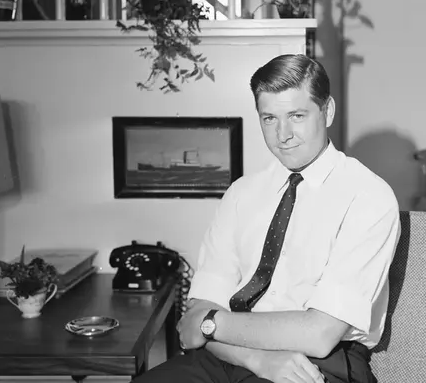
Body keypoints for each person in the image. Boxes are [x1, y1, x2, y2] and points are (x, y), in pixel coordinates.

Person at [134, 54, 401, 383]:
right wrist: (255, 359)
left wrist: (212, 324)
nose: (283, 134)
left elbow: (320, 334)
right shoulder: (240, 194)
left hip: (319, 363)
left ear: (327, 111)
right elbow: (192, 326)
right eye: (269, 118)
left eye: (297, 116)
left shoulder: (368, 197)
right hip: (227, 354)